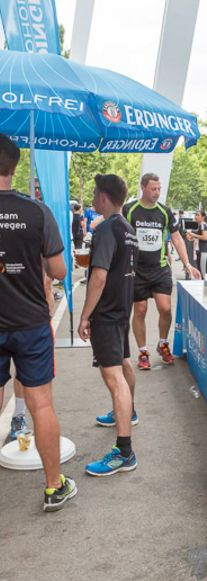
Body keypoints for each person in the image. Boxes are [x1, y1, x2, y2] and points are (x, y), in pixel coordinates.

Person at [0, 134, 77, 511]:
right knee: (41, 404)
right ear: (14, 167)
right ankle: (53, 486)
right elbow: (60, 269)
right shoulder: (38, 212)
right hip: (30, 321)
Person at [78, 174, 139, 476]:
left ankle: (124, 451)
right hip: (121, 310)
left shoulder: (106, 229)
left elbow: (99, 277)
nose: (92, 195)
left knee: (114, 377)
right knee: (123, 366)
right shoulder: (128, 228)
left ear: (103, 197)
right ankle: (128, 411)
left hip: (107, 314)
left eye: (94, 191)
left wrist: (85, 315)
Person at [123, 173, 200, 370]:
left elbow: (177, 239)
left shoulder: (165, 212)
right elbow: (119, 233)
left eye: (159, 189)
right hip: (137, 270)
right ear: (143, 187)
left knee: (165, 308)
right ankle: (142, 352)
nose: (157, 192)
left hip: (159, 269)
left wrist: (187, 264)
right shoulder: (130, 209)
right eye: (153, 189)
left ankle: (162, 343)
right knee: (140, 310)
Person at [186, 209, 207, 278]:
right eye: (195, 215)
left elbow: (204, 237)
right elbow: (200, 238)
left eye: (198, 215)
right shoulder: (200, 225)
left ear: (203, 217)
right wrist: (192, 238)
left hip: (203, 251)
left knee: (203, 273)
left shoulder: (203, 224)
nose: (195, 217)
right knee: (200, 272)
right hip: (200, 251)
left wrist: (192, 234)